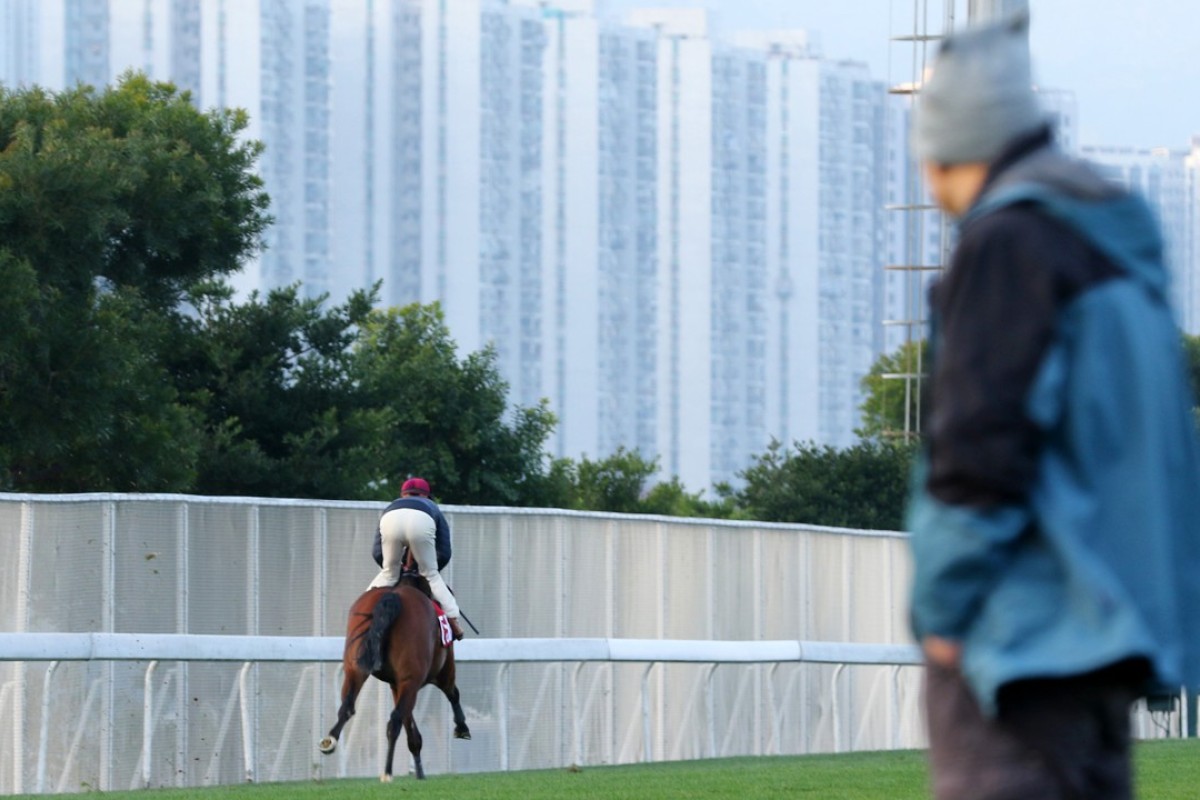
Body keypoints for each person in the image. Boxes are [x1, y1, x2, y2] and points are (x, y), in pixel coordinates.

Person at [907, 12, 1200, 800]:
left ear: (947, 148)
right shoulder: (1118, 253)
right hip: (1110, 646)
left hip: (1022, 645)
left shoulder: (1008, 244)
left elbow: (977, 451)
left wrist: (940, 614)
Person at [369, 476, 464, 640]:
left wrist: (396, 570)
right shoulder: (432, 507)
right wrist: (424, 570)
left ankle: (365, 615)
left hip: (390, 521)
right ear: (426, 496)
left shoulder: (391, 507)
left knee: (387, 574)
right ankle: (453, 619)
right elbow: (444, 552)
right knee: (432, 575)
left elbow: (377, 553)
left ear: (402, 495)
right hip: (423, 521)